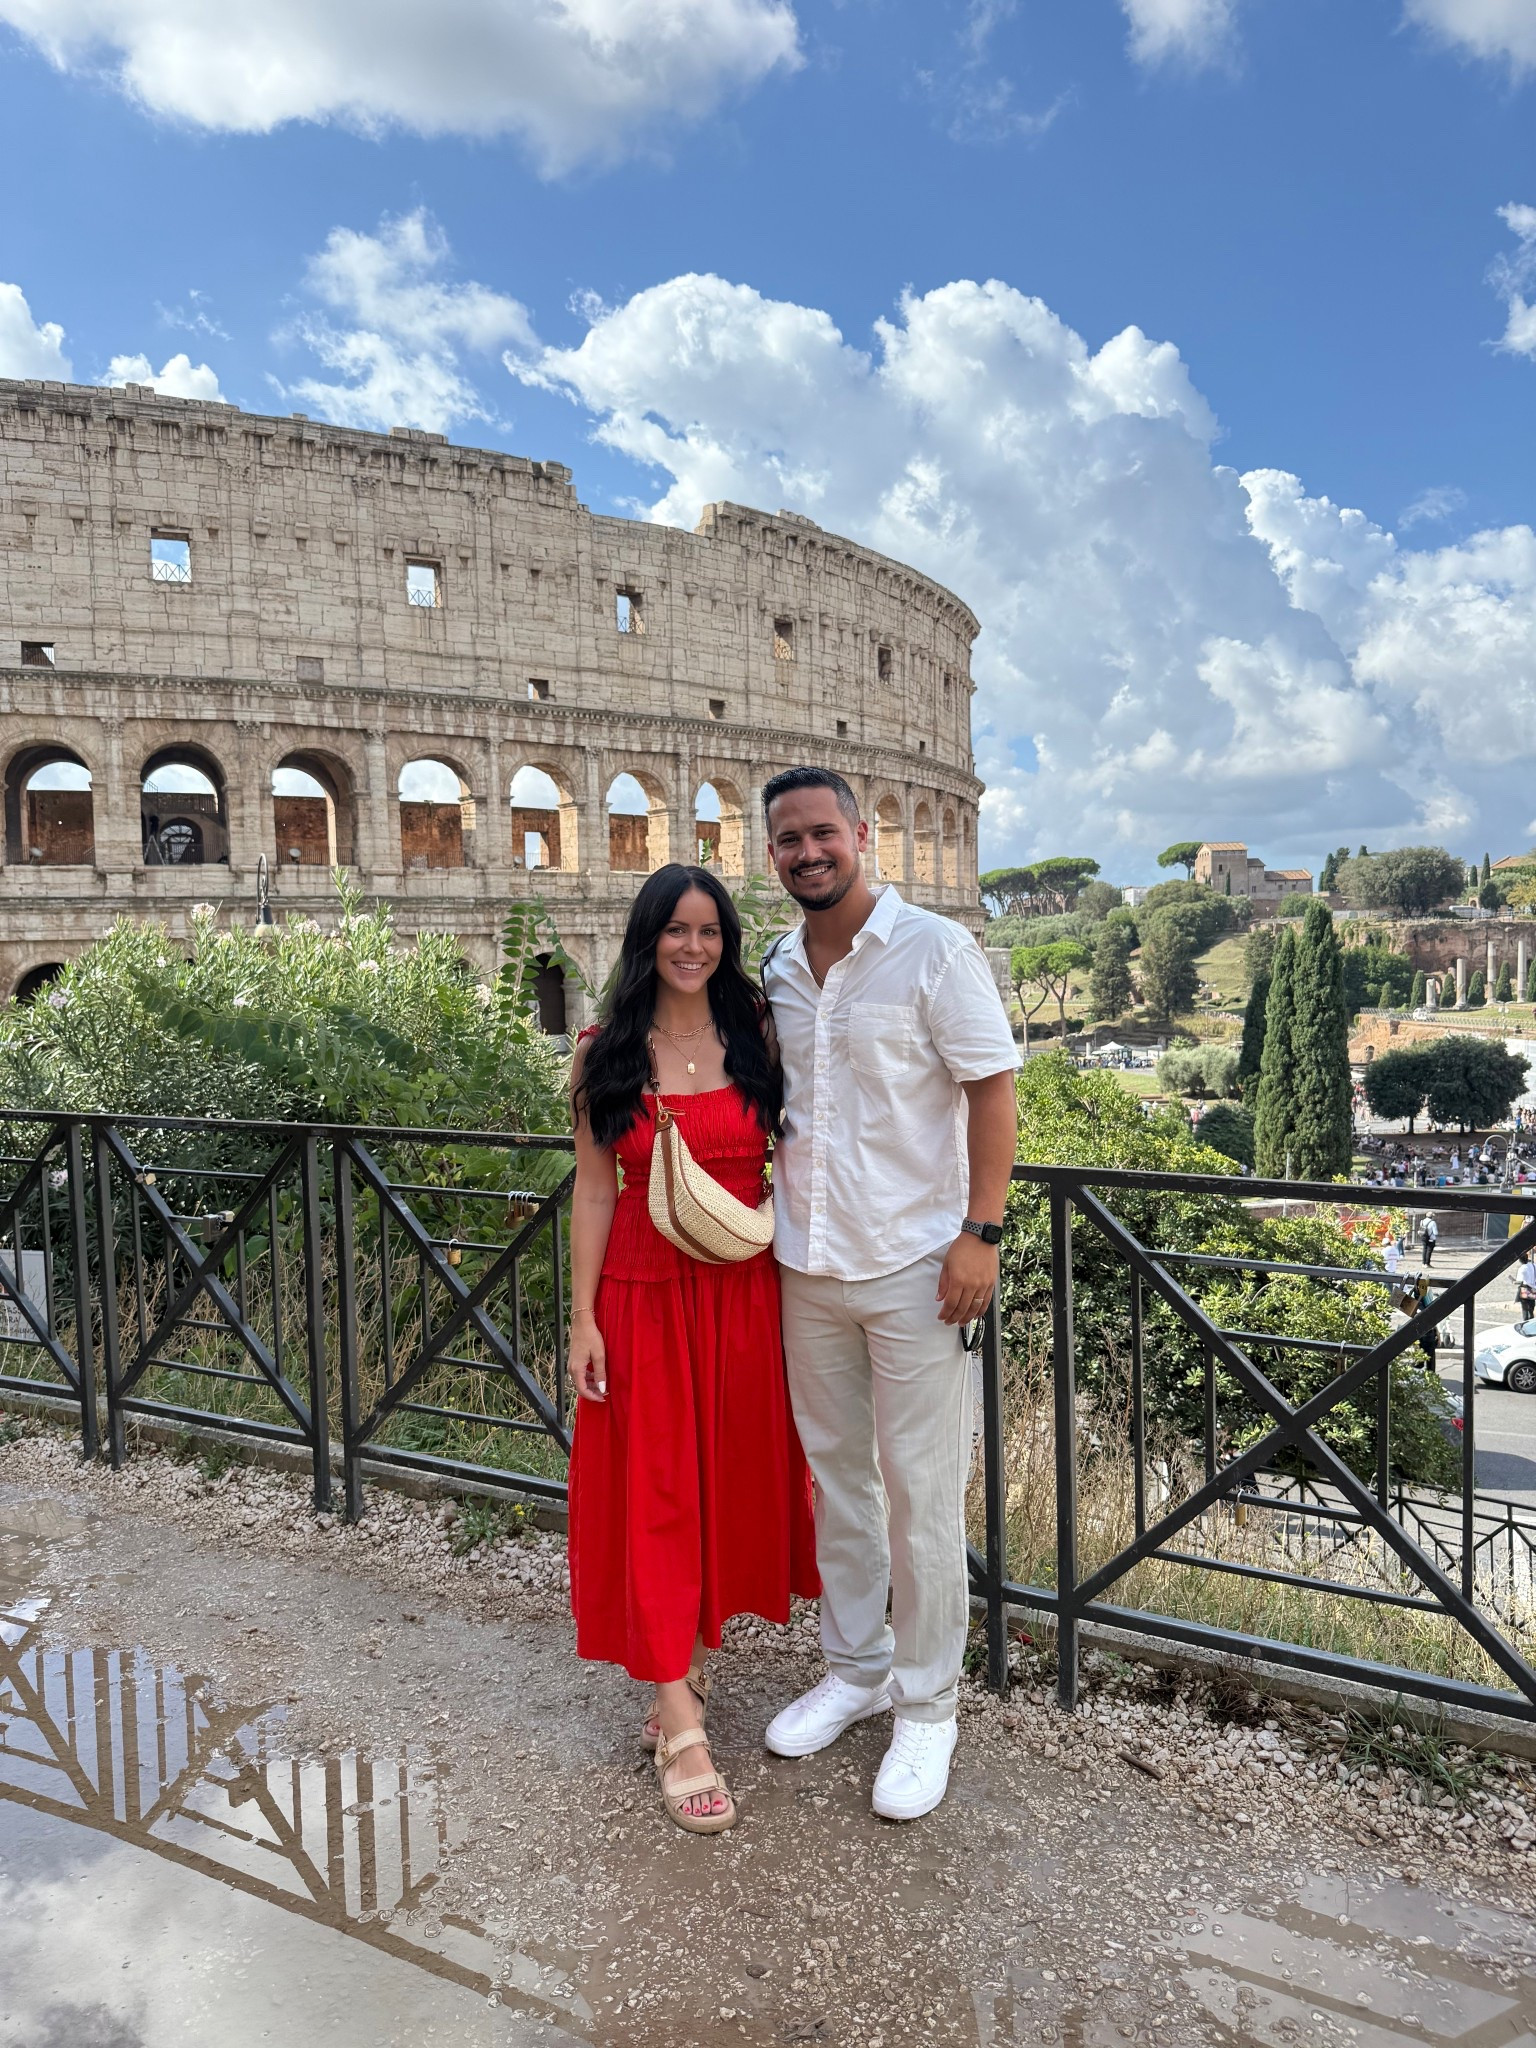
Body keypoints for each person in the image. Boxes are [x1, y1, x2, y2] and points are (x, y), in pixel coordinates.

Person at [758, 767, 1020, 1822]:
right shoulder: (778, 963)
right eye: (789, 839)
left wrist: (981, 1235)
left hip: (918, 1264)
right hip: (807, 1262)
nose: (808, 851)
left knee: (921, 1493)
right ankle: (856, 1669)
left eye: (823, 832)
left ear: (862, 835)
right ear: (771, 854)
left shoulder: (935, 949)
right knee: (838, 1484)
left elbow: (992, 1088)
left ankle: (928, 1707)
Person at [566, 863, 818, 1836]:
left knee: (718, 1486)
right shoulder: (604, 1054)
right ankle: (681, 1726)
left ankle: (683, 1664)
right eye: (676, 928)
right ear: (647, 938)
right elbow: (595, 1190)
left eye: (710, 930)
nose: (694, 945)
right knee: (656, 1496)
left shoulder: (755, 1034)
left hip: (742, 1294)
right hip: (641, 1297)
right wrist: (582, 1318)